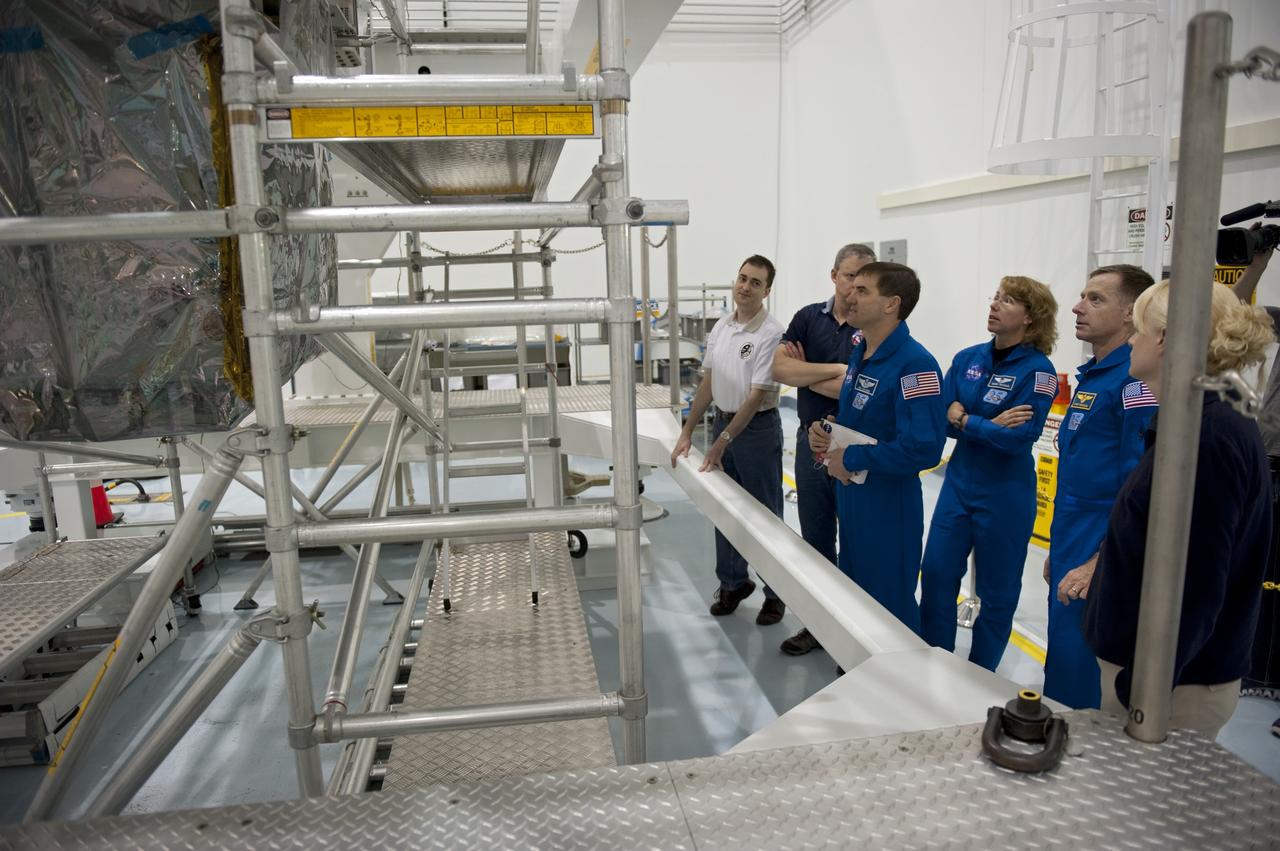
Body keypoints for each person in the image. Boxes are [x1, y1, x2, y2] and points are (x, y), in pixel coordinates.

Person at [1082, 281, 1274, 737]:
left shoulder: (1206, 437)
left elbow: (1198, 580)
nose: (1131, 340)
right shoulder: (1195, 419)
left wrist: (1145, 686)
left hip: (1174, 687)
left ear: (1166, 338)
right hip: (1163, 672)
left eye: (1140, 330)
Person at [919, 276, 1059, 671]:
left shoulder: (1038, 372)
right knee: (936, 574)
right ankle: (934, 664)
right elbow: (940, 418)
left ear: (1031, 318)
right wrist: (986, 424)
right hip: (959, 484)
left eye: (1008, 300)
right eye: (995, 297)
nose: (994, 305)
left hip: (1005, 494)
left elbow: (1020, 438)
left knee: (997, 594)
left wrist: (965, 418)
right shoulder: (968, 359)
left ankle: (980, 674)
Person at [808, 262, 946, 635]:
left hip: (887, 505)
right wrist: (825, 430)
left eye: (863, 290)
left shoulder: (916, 366)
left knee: (888, 611)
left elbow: (924, 449)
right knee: (854, 598)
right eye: (851, 286)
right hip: (852, 495)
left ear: (891, 304)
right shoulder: (862, 352)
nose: (850, 295)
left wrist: (850, 457)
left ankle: (898, 690)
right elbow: (862, 418)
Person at [1043, 264, 1156, 709]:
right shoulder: (1096, 377)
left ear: (1130, 314)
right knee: (1064, 657)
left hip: (1103, 538)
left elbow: (1141, 484)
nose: (1077, 306)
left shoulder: (1133, 383)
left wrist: (1099, 559)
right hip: (1074, 533)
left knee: (1081, 665)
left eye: (1095, 298)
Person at [672, 255, 788, 625]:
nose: (745, 286)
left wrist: (721, 441)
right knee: (725, 509)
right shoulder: (721, 327)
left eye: (755, 282)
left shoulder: (770, 333)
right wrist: (688, 431)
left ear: (767, 291)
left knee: (764, 515)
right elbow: (708, 382)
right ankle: (733, 583)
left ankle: (776, 594)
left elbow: (755, 397)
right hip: (724, 423)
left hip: (755, 431)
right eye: (742, 278)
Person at [771, 243, 876, 656]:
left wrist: (807, 375)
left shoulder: (872, 326)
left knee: (856, 540)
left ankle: (855, 633)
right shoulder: (807, 318)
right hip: (809, 438)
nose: (857, 286)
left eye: (866, 279)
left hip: (855, 444)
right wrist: (837, 372)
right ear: (834, 275)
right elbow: (780, 369)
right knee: (815, 537)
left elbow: (865, 389)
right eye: (851, 276)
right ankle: (817, 627)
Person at [1230, 225, 1280, 737]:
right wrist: (1259, 263)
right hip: (1267, 460)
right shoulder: (1271, 324)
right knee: (1254, 569)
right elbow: (1229, 312)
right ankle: (1254, 667)